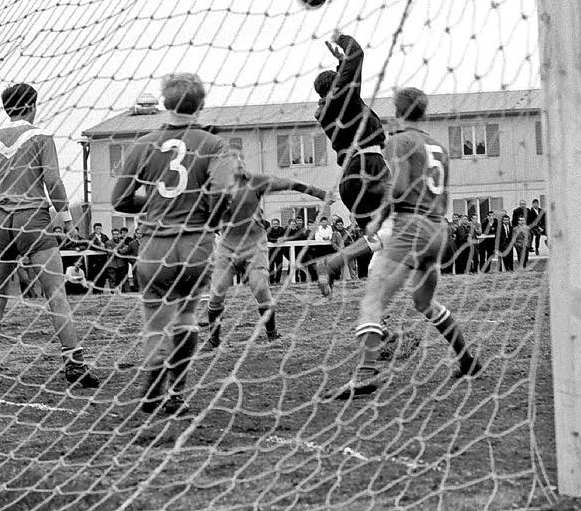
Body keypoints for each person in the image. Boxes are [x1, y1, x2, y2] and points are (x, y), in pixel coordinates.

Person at [328, 87, 480, 399]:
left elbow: (396, 186)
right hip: (438, 228)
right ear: (423, 113)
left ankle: (365, 376)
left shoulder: (398, 141)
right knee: (423, 302)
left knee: (372, 300)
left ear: (396, 111)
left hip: (411, 225)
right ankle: (467, 360)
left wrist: (379, 217)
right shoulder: (438, 147)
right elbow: (444, 193)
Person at [111, 73, 233, 417]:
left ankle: (152, 384)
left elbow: (119, 200)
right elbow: (225, 193)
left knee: (155, 321)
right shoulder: (213, 144)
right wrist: (209, 217)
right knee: (187, 316)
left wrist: (151, 204)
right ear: (202, 104)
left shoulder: (143, 143)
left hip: (154, 246)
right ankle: (177, 391)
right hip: (196, 244)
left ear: (164, 105)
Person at [0, 83, 99, 388]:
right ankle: (74, 365)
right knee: (55, 293)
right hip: (33, 218)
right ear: (32, 105)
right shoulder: (40, 136)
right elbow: (52, 179)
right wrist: (66, 218)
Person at [204, 150, 330, 350]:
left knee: (260, 287)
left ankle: (272, 334)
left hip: (254, 244)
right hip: (227, 245)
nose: (237, 165)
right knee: (217, 290)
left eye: (240, 161)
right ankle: (213, 340)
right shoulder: (214, 188)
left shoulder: (256, 182)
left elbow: (290, 183)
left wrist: (319, 194)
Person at [312, 28, 391, 291]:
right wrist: (341, 40)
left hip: (349, 179)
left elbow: (345, 71)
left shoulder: (325, 110)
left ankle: (374, 302)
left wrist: (339, 64)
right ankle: (332, 263)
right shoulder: (344, 95)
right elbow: (356, 53)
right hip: (370, 167)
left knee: (378, 238)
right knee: (400, 223)